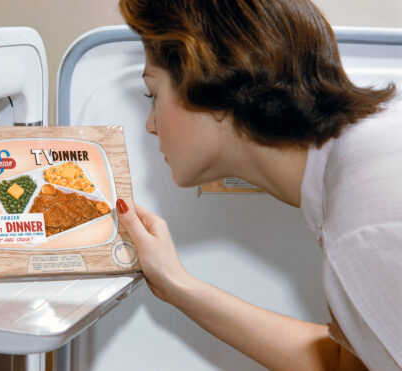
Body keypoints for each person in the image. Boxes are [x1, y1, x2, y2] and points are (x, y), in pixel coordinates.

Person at [114, 0, 402, 370]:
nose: (150, 125)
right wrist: (177, 286)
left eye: (153, 96)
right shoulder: (361, 164)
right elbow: (346, 363)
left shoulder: (364, 225)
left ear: (210, 83)